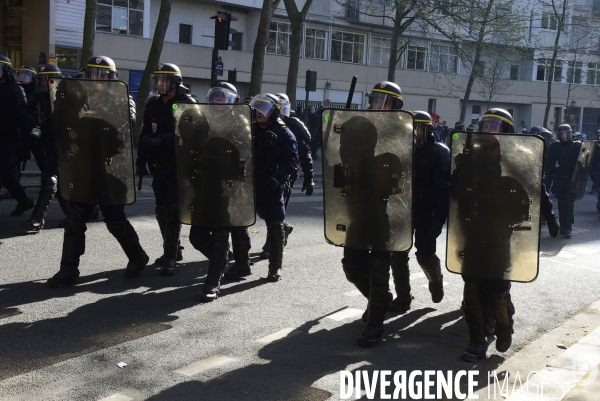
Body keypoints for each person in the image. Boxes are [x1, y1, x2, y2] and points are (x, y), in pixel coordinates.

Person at [453, 108, 559, 362]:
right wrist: (461, 170)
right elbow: (454, 196)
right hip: (472, 232)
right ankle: (476, 343)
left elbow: (535, 190)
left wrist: (551, 217)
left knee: (496, 290)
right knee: (471, 292)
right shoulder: (469, 159)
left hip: (498, 235)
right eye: (485, 125)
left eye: (495, 127)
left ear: (507, 134)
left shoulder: (516, 160)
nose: (488, 132)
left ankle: (504, 326)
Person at [46, 74, 149, 287]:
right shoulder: (76, 100)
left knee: (115, 220)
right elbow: (57, 126)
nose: (97, 79)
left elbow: (125, 129)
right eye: (93, 74)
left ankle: (138, 256)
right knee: (74, 220)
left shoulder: (121, 99)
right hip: (81, 170)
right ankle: (68, 270)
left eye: (102, 75)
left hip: (107, 170)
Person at [336, 81, 405, 347]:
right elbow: (343, 160)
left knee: (379, 270)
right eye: (376, 100)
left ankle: (374, 325)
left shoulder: (401, 131)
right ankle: (380, 300)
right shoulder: (359, 125)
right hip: (358, 209)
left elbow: (405, 174)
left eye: (386, 102)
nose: (379, 106)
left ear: (396, 106)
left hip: (385, 212)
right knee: (352, 266)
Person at [185, 82, 247, 301]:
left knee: (221, 235)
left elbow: (245, 154)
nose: (218, 102)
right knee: (197, 236)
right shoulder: (202, 120)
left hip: (227, 184)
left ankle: (212, 283)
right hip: (203, 183)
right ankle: (220, 260)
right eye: (215, 97)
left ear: (230, 101)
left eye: (223, 98)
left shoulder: (239, 122)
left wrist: (237, 183)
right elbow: (190, 147)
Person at [228, 94, 298, 282]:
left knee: (275, 226)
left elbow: (291, 162)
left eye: (264, 109)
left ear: (274, 112)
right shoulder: (250, 130)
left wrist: (276, 178)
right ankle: (242, 264)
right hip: (250, 185)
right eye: (257, 109)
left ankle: (275, 267)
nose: (259, 112)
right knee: (239, 222)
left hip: (272, 187)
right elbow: (238, 153)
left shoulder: (284, 133)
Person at [137, 63, 196, 274]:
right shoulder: (153, 104)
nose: (161, 84)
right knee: (161, 210)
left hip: (179, 166)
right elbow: (145, 133)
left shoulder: (186, 103)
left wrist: (161, 140)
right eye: (158, 80)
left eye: (165, 80)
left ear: (176, 83)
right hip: (157, 165)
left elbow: (188, 135)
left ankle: (170, 257)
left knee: (172, 209)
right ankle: (173, 249)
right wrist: (140, 160)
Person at [389, 111, 449, 313]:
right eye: (411, 130)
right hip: (402, 210)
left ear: (429, 131)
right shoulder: (399, 150)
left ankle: (436, 279)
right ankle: (403, 297)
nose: (415, 135)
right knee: (397, 254)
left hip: (426, 212)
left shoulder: (438, 153)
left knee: (425, 256)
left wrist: (438, 219)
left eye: (419, 130)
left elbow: (444, 190)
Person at [258, 93, 314, 259]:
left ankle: (271, 244)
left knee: (275, 212)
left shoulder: (292, 126)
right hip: (265, 175)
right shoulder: (264, 125)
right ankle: (285, 228)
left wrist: (309, 177)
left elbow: (304, 153)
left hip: (286, 176)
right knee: (262, 209)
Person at [20, 64, 69, 232]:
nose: (42, 83)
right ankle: (72, 217)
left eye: (45, 79)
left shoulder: (65, 98)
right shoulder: (40, 98)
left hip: (62, 146)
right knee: (59, 183)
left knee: (49, 181)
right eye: (41, 79)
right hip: (46, 145)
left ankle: (36, 220)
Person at [0, 55, 34, 216]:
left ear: (5, 71)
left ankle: (24, 200)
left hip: (10, 139)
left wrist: (24, 145)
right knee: (6, 174)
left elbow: (24, 119)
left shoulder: (16, 89)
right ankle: (24, 200)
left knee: (4, 171)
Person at [545, 124, 581, 238]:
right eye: (561, 133)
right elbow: (549, 161)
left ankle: (568, 227)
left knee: (569, 204)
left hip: (571, 179)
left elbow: (583, 161)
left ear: (569, 133)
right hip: (559, 178)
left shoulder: (576, 146)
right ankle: (562, 226)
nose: (562, 135)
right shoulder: (556, 146)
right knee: (561, 203)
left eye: (564, 133)